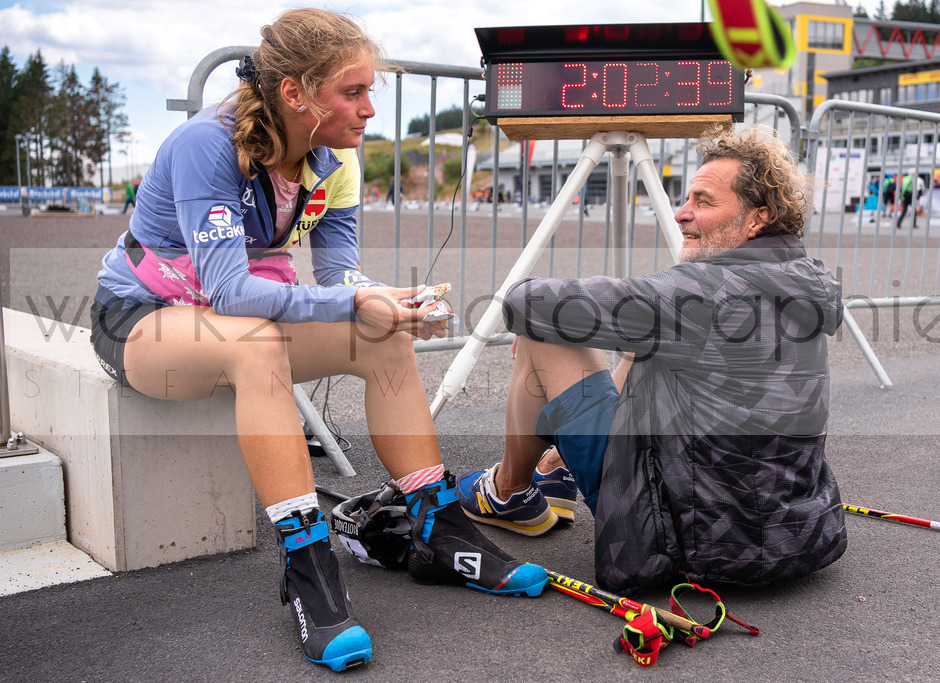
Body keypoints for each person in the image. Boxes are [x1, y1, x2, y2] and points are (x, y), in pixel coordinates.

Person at [89, 9, 545, 672]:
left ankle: (438, 528)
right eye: (352, 93)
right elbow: (230, 293)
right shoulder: (205, 145)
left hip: (235, 322)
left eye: (370, 93)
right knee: (256, 343)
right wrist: (354, 299)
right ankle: (308, 564)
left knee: (381, 339)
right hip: (141, 319)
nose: (367, 111)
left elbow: (339, 278)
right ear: (295, 93)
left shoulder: (338, 160)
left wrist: (387, 300)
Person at [456, 125, 847, 594]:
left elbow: (523, 301)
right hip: (795, 534)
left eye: (703, 201)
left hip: (689, 540)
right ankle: (553, 470)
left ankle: (510, 494)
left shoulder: (699, 292)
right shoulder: (799, 282)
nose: (682, 214)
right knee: (648, 344)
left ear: (756, 219)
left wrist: (544, 324)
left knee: (547, 338)